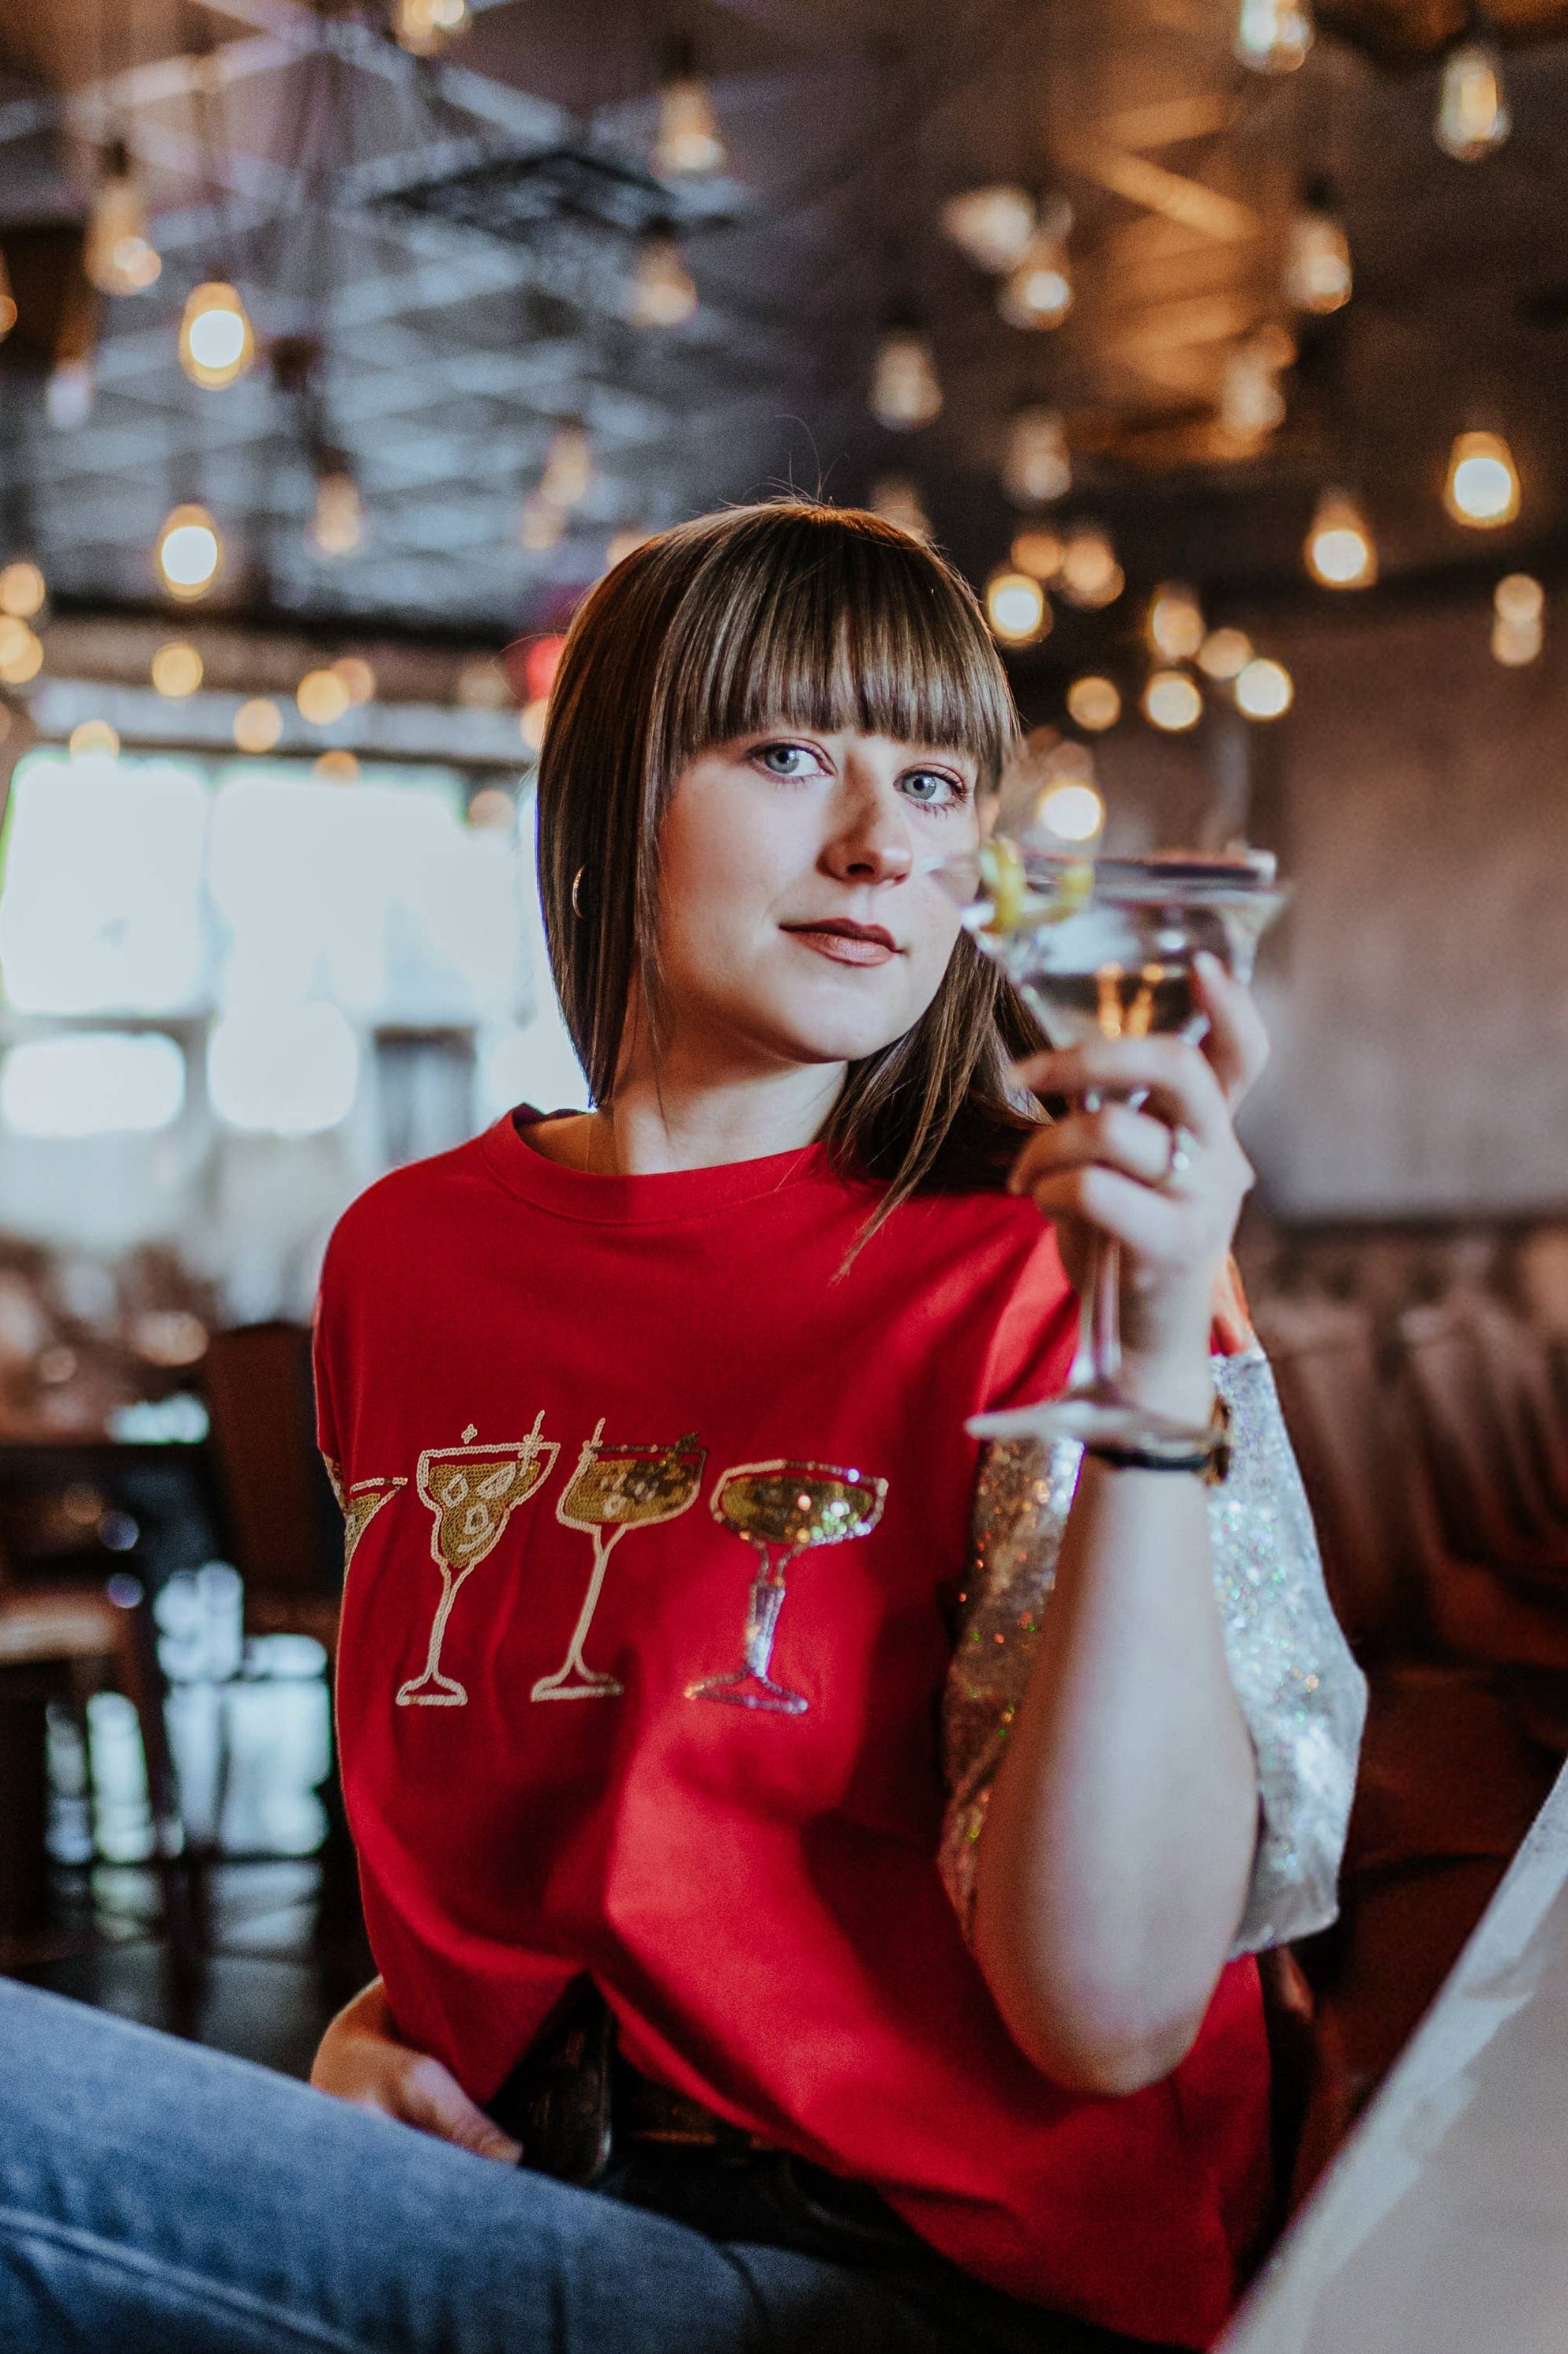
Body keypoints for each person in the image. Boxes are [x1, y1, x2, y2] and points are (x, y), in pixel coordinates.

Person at [0, 501, 1364, 2354]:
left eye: (943, 782)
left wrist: (1145, 1374)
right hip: (553, 2210)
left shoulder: (1049, 1267)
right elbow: (530, 1828)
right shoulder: (408, 1263)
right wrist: (385, 2035)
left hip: (929, 2281)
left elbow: (1113, 2014)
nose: (884, 843)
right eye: (789, 754)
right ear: (619, 793)